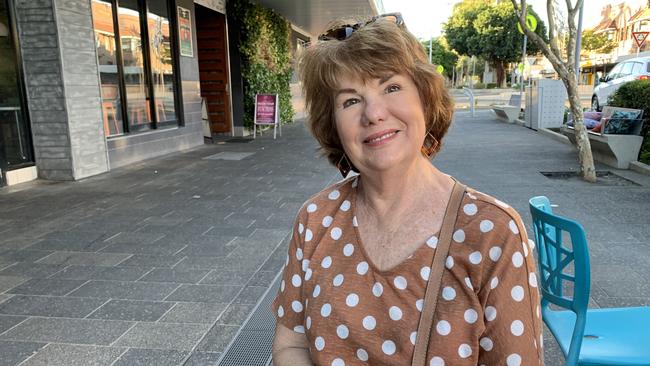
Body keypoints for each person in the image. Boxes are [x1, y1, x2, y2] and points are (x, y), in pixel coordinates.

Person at [272, 13, 543, 366]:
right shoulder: (315, 220)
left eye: (391, 87)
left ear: (425, 100)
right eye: (350, 100)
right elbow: (291, 344)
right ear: (333, 125)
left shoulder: (493, 233)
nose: (374, 113)